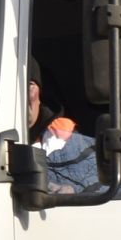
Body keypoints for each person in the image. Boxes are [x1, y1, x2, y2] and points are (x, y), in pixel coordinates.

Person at [27, 57, 102, 193]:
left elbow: (106, 186)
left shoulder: (70, 142)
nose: (21, 95)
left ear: (40, 95)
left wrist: (74, 191)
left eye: (29, 85)